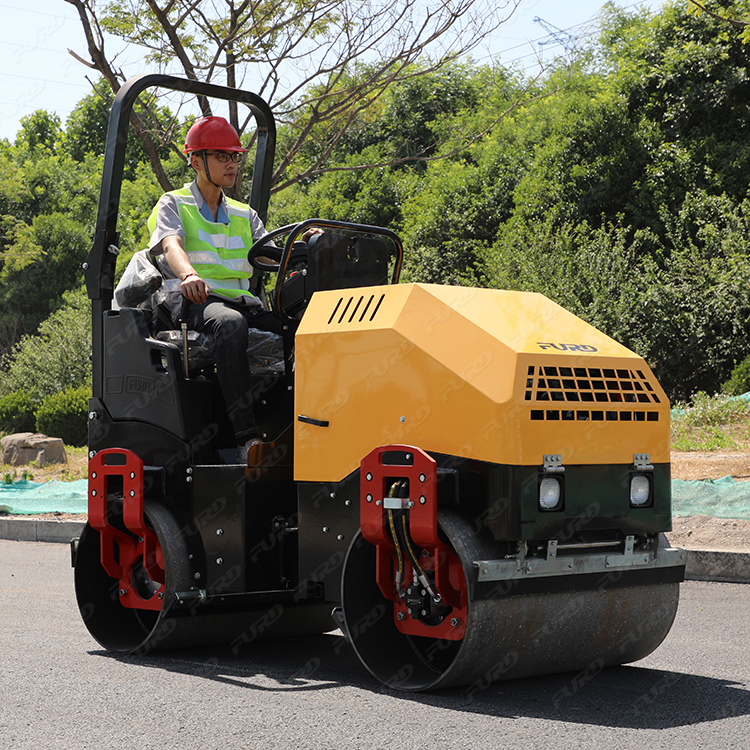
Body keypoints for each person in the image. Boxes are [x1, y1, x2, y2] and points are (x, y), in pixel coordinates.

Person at [147, 116, 316, 464]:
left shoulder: (244, 214)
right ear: (196, 161)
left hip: (244, 305)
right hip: (197, 303)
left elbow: (271, 254)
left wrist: (304, 246)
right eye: (222, 156)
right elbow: (170, 246)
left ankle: (305, 427)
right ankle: (246, 439)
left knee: (304, 327)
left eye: (235, 157)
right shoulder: (173, 203)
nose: (232, 163)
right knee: (230, 325)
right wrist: (189, 274)